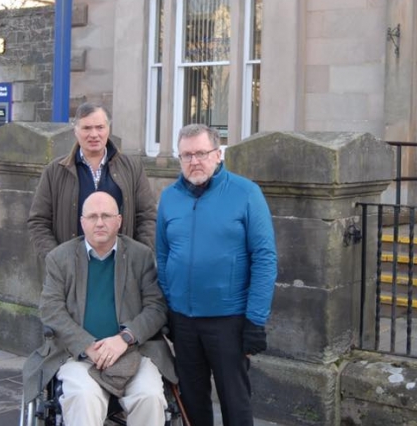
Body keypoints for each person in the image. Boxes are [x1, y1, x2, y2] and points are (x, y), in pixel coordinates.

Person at [156, 124, 278, 426]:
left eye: (201, 153)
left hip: (229, 322)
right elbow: (163, 254)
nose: (194, 161)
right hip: (183, 322)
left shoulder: (246, 193)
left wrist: (255, 320)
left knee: (235, 404)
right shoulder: (169, 198)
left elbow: (265, 258)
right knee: (192, 405)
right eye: (186, 155)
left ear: (218, 154)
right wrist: (169, 307)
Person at [23, 191, 176, 426]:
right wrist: (86, 345)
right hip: (77, 355)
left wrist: (125, 338)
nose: (100, 222)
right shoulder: (60, 258)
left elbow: (156, 307)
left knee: (150, 396)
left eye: (106, 215)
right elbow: (51, 309)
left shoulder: (140, 256)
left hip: (134, 350)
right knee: (83, 397)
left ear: (119, 220)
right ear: (82, 222)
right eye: (92, 216)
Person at [28, 102, 157, 262]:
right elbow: (39, 221)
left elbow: (147, 217)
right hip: (72, 270)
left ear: (108, 129)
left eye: (100, 127)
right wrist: (56, 261)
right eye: (87, 128)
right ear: (75, 131)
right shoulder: (55, 171)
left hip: (121, 269)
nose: (94, 134)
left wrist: (138, 259)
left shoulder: (132, 168)